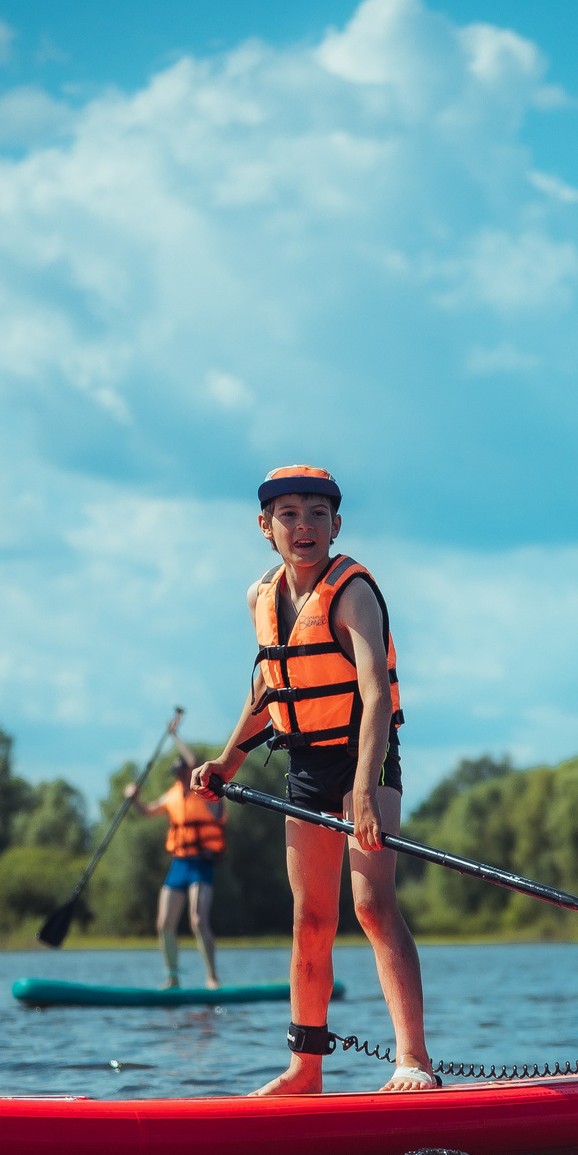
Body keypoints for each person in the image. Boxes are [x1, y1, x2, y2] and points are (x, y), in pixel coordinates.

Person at [195, 465, 436, 1096]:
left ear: (336, 523)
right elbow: (269, 686)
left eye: (317, 514)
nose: (304, 526)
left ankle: (413, 1060)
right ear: (265, 526)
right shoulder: (261, 597)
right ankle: (306, 1069)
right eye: (290, 515)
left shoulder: (352, 591)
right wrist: (227, 762)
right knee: (310, 920)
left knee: (373, 906)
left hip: (367, 759)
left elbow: (376, 694)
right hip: (304, 766)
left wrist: (362, 788)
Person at [126, 710, 223, 990]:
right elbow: (148, 811)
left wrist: (175, 735)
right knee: (163, 923)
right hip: (179, 864)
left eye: (182, 772)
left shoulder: (200, 792)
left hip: (202, 863)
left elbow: (194, 761)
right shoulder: (170, 796)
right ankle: (172, 977)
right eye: (177, 773)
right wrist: (134, 799)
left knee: (196, 919)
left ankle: (212, 977)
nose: (180, 777)